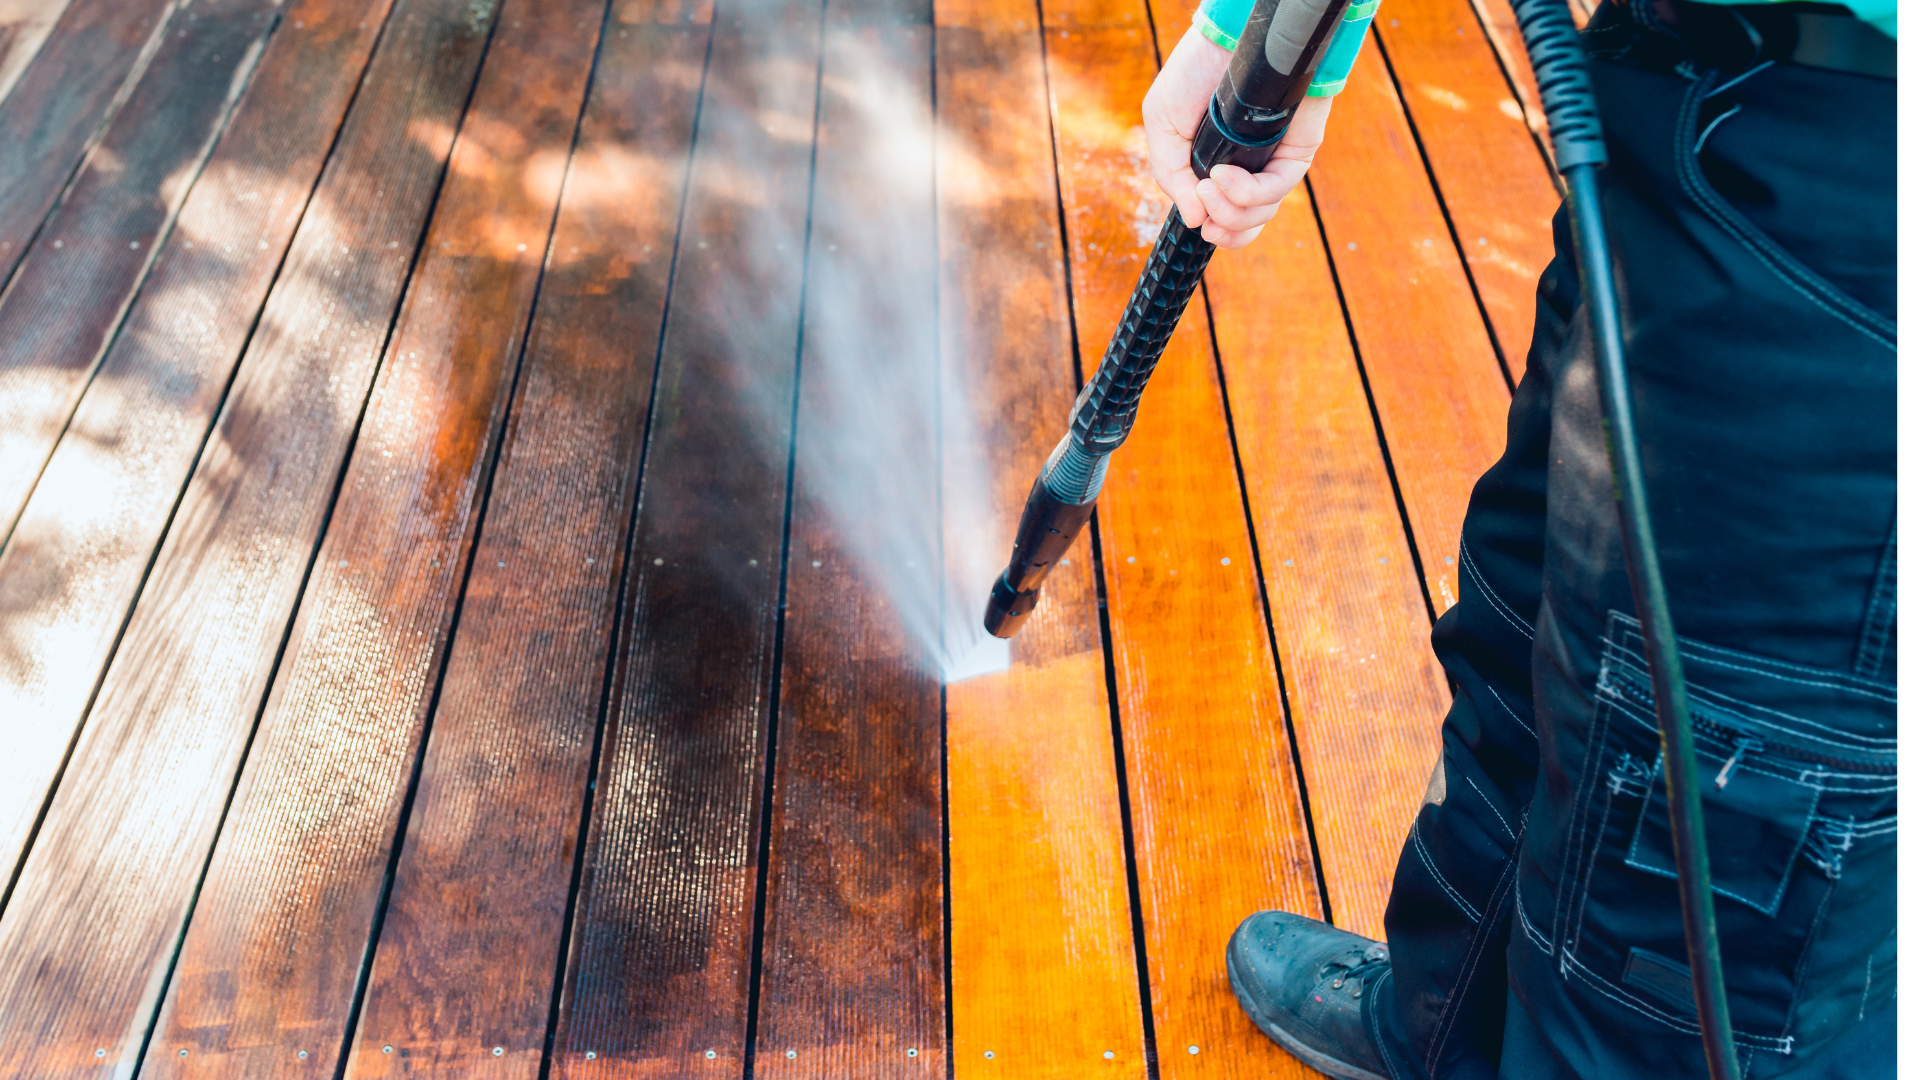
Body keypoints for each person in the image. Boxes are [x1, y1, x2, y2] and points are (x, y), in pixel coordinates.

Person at [1140, 0, 1897, 1076]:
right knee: (1533, 618)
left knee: (1698, 825)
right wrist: (1266, 40)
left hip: (1866, 204)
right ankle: (1441, 1029)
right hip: (1677, 84)